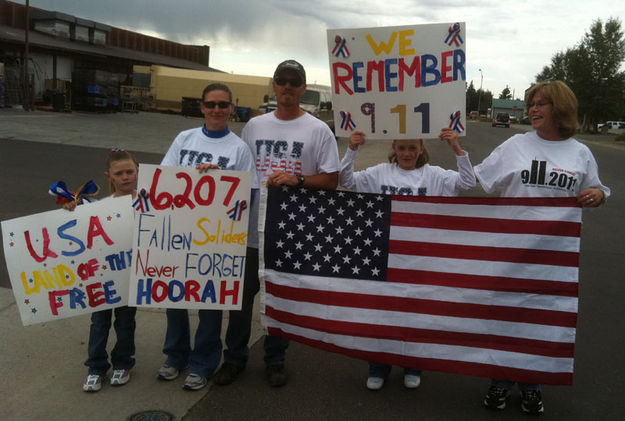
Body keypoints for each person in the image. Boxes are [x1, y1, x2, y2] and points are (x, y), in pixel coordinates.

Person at [474, 80, 610, 415]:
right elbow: (477, 180)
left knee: (540, 318)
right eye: (531, 103)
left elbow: (596, 188)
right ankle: (500, 381)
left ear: (560, 109)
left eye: (541, 104)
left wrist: (600, 195)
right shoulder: (516, 145)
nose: (533, 109)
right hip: (511, 251)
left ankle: (532, 385)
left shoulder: (580, 152)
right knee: (506, 317)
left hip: (552, 257)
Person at [212, 59, 340, 388]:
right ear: (273, 85)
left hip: (290, 231)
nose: (286, 86)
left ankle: (275, 359)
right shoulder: (254, 126)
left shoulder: (318, 130)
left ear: (303, 88)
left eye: (293, 81)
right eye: (281, 80)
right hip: (249, 228)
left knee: (280, 296)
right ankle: (235, 358)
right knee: (240, 297)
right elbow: (239, 169)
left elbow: (331, 179)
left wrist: (297, 179)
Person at [340, 128, 476, 391]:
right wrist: (352, 149)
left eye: (413, 148)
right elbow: (346, 180)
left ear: (422, 148)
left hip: (421, 258)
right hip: (384, 255)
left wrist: (457, 149)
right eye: (402, 148)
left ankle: (413, 365)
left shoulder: (434, 175)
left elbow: (468, 183)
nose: (407, 154)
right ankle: (378, 365)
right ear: (394, 147)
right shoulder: (380, 172)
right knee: (382, 314)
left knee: (416, 315)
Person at [157, 82, 258, 391]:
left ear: (232, 109)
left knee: (210, 302)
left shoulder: (238, 148)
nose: (217, 109)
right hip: (178, 232)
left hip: (216, 238)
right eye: (211, 104)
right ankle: (176, 356)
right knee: (174, 296)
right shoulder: (184, 139)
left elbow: (249, 194)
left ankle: (202, 363)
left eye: (223, 105)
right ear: (201, 107)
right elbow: (163, 180)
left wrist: (219, 183)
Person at [63, 149, 139, 392]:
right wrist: (72, 208)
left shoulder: (148, 202)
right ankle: (96, 367)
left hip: (130, 275)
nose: (126, 177)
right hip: (102, 276)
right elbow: (76, 227)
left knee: (126, 322)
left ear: (138, 171)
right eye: (120, 173)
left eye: (130, 171)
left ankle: (122, 363)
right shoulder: (98, 206)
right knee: (99, 322)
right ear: (109, 176)